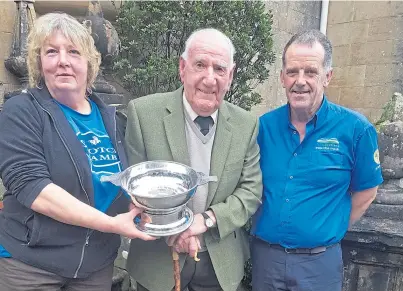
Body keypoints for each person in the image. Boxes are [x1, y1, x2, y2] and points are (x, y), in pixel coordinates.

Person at [0, 13, 154, 291]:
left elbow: (117, 182)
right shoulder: (21, 112)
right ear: (39, 63)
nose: (63, 61)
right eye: (51, 52)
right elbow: (33, 188)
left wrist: (135, 204)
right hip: (32, 265)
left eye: (73, 51)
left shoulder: (112, 119)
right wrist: (111, 224)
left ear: (89, 63)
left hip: (94, 266)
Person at [124, 28, 262, 291]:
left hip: (219, 263)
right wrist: (172, 230)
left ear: (230, 76)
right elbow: (134, 189)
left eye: (220, 69)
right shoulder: (144, 114)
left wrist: (206, 220)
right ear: (182, 68)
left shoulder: (247, 125)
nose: (210, 79)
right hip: (157, 264)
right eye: (200, 65)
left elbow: (251, 191)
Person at [251, 29, 384, 291]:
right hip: (266, 260)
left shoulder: (356, 130)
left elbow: (367, 190)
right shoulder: (263, 128)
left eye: (310, 72)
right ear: (282, 77)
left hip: (319, 265)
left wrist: (329, 225)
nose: (300, 81)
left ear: (327, 77)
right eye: (292, 72)